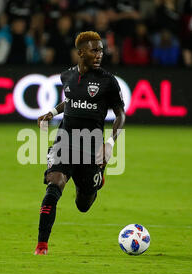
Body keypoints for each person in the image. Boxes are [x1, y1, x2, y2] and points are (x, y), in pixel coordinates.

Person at [34, 31, 126, 255]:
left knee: (83, 205)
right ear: (80, 53)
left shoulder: (108, 81)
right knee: (54, 185)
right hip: (64, 143)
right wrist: (52, 112)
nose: (100, 54)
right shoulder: (66, 76)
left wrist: (111, 144)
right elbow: (70, 99)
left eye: (101, 50)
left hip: (92, 148)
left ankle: (98, 178)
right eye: (95, 50)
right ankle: (41, 245)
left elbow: (121, 115)